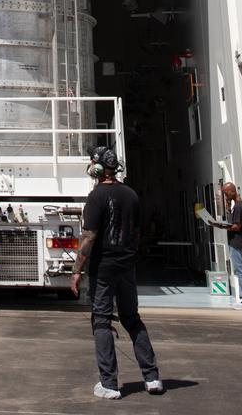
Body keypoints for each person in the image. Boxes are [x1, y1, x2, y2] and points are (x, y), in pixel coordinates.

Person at [71, 146, 164, 400]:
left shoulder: (97, 196)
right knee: (131, 318)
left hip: (104, 268)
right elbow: (136, 232)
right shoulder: (131, 195)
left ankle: (109, 383)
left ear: (98, 168)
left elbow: (89, 237)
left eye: (92, 162)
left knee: (101, 320)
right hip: (127, 266)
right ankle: (152, 377)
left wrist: (77, 270)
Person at [215, 181, 242, 309]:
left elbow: (236, 226)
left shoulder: (238, 207)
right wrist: (227, 208)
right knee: (240, 270)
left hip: (237, 243)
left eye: (226, 193)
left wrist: (222, 226)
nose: (225, 196)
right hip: (239, 242)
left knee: (241, 271)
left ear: (232, 191)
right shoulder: (236, 206)